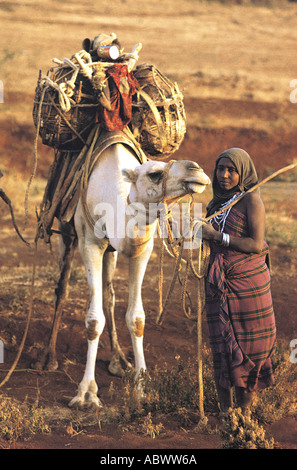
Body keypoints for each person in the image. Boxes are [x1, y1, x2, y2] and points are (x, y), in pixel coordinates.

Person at [202, 148, 276, 414]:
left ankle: (244, 416)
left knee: (249, 348)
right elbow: (208, 237)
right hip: (218, 284)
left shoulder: (251, 201)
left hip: (247, 287)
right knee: (220, 347)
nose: (224, 175)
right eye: (221, 169)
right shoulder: (216, 203)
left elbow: (256, 244)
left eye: (231, 170)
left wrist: (216, 237)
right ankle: (225, 415)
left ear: (243, 172)